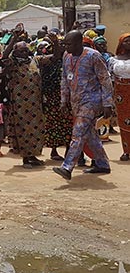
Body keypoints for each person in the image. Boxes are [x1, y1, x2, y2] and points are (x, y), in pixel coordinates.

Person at [53, 31, 114, 180]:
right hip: (76, 101)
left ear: (79, 42)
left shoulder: (93, 56)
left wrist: (107, 103)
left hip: (92, 100)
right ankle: (102, 164)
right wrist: (64, 100)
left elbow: (105, 80)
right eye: (64, 44)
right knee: (90, 135)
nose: (66, 47)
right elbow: (64, 79)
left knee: (78, 131)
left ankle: (67, 167)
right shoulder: (66, 57)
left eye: (69, 44)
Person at [0, 41, 47, 168]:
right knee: (23, 129)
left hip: (35, 103)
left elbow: (53, 58)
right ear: (15, 52)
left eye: (26, 50)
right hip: (20, 104)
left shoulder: (34, 60)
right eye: (21, 51)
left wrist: (54, 43)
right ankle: (26, 158)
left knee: (37, 129)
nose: (24, 53)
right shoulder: (12, 63)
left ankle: (33, 155)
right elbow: (4, 57)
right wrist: (14, 38)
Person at [39, 34, 73, 161]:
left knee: (68, 123)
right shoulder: (47, 59)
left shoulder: (68, 58)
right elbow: (55, 56)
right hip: (52, 95)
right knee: (53, 123)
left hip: (66, 95)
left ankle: (69, 149)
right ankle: (54, 151)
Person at [108, 34, 130, 161]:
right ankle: (126, 151)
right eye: (126, 41)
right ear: (121, 43)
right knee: (124, 122)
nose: (129, 43)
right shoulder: (114, 60)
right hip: (121, 94)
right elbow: (109, 79)